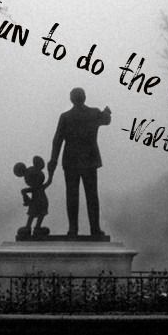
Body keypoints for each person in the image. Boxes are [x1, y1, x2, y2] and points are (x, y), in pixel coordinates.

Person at [48, 87, 111, 238]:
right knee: (92, 196)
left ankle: (73, 229)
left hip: (71, 161)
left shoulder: (65, 117)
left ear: (71, 99)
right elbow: (107, 120)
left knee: (72, 196)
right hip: (89, 160)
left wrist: (53, 160)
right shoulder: (94, 113)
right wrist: (107, 112)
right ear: (84, 97)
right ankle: (95, 229)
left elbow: (57, 140)